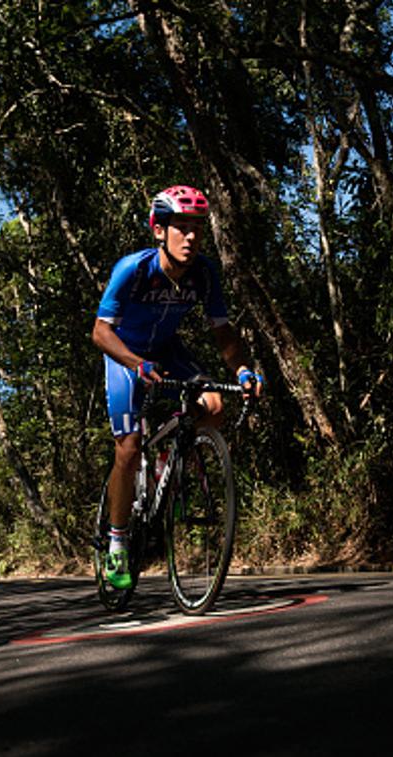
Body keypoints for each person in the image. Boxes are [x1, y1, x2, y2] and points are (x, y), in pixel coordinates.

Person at [92, 185, 263, 590]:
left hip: (167, 350)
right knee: (129, 448)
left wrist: (243, 371)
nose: (190, 237)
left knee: (215, 406)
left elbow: (222, 332)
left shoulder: (203, 273)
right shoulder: (133, 270)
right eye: (180, 228)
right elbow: (100, 333)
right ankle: (117, 543)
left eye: (197, 229)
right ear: (158, 231)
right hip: (126, 354)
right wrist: (135, 364)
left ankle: (170, 455)